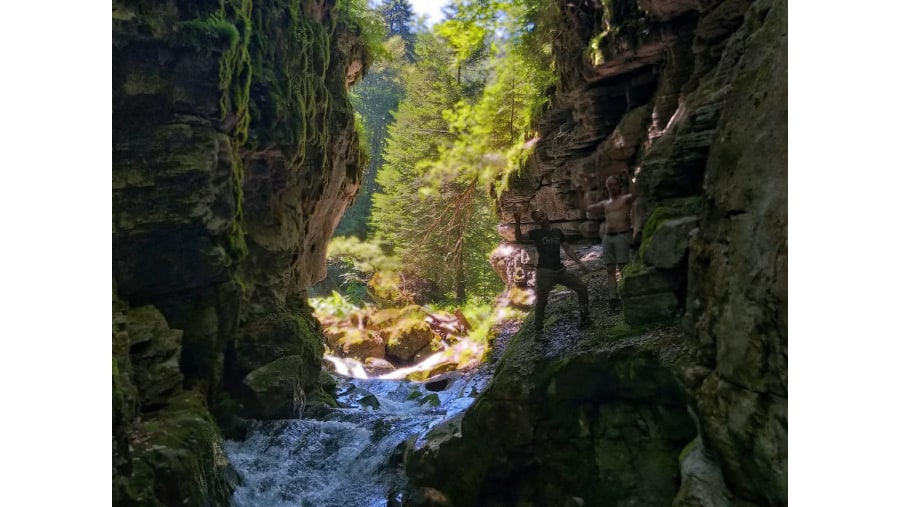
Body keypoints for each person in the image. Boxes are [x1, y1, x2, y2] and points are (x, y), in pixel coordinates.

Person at [513, 207, 592, 333]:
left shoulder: (557, 232)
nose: (542, 219)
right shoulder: (535, 234)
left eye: (543, 216)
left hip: (560, 270)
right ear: (537, 222)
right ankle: (539, 330)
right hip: (544, 272)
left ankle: (585, 317)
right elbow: (519, 238)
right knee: (542, 301)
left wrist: (580, 263)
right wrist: (517, 221)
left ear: (546, 215)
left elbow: (567, 248)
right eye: (539, 219)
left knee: (581, 287)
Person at [579, 170, 636, 307]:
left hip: (622, 235)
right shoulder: (606, 204)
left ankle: (628, 294)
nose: (612, 187)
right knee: (610, 269)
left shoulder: (625, 199)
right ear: (607, 187)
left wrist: (629, 176)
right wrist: (578, 192)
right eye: (609, 185)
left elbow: (635, 194)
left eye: (614, 184)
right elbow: (586, 208)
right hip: (608, 238)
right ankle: (613, 297)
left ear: (619, 185)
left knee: (623, 268)